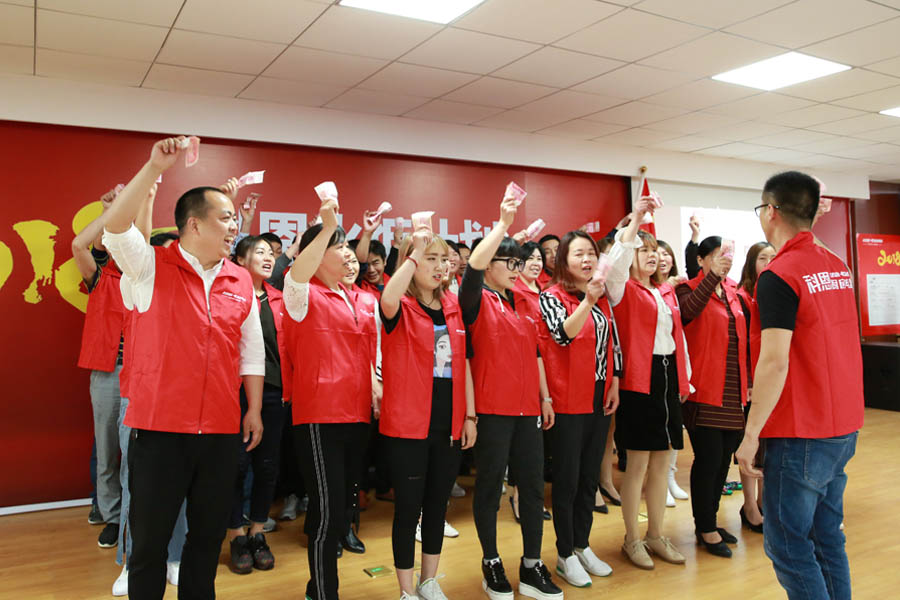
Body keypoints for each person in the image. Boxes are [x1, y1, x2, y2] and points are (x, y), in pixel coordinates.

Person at [102, 136, 266, 600]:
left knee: (206, 540)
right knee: (150, 545)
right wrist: (155, 167)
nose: (235, 227)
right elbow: (115, 228)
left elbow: (251, 350)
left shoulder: (239, 279)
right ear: (194, 224)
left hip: (219, 432)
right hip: (159, 433)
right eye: (226, 218)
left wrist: (253, 409)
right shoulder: (149, 267)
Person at [736, 171, 864, 600]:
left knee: (788, 546)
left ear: (771, 212)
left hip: (801, 430)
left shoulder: (779, 275)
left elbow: (774, 362)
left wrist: (750, 435)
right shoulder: (837, 266)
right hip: (842, 425)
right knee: (826, 537)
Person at [462, 193, 563, 600]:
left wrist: (544, 398)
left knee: (533, 489)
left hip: (528, 411)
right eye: (509, 262)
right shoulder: (475, 299)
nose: (516, 269)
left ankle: (532, 566)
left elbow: (535, 353)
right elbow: (472, 267)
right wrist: (503, 224)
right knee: (490, 489)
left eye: (519, 263)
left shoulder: (524, 302)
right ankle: (491, 563)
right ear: (490, 263)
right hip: (492, 411)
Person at [282, 196, 379, 600]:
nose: (349, 254)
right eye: (339, 246)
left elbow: (370, 355)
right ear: (317, 254)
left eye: (348, 246)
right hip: (320, 414)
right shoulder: (302, 295)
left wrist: (375, 385)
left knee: (341, 508)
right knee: (324, 510)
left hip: (357, 413)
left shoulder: (357, 298)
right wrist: (325, 227)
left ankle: (317, 586)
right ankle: (324, 593)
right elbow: (296, 275)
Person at [380, 227, 477, 600]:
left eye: (443, 259)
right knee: (408, 510)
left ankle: (429, 581)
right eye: (430, 259)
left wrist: (470, 417)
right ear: (412, 260)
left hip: (448, 422)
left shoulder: (452, 305)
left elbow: (463, 363)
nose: (440, 267)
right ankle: (406, 590)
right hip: (408, 424)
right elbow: (388, 297)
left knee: (438, 506)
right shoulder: (399, 305)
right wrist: (414, 253)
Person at [607, 197, 690, 571]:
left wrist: (684, 380)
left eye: (655, 251)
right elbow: (617, 260)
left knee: (662, 461)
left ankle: (656, 534)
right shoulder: (621, 288)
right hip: (640, 381)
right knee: (638, 465)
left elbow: (676, 339)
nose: (652, 256)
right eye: (645, 250)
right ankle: (632, 538)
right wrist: (636, 221)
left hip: (668, 377)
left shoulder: (661, 291)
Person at [113, 201, 188, 598]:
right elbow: (139, 244)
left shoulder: (190, 292)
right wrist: (148, 199)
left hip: (181, 403)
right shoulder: (138, 282)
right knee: (136, 487)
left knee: (180, 486)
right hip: (140, 399)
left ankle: (174, 555)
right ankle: (131, 561)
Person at [540, 230, 621, 587]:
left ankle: (582, 544)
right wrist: (588, 301)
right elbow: (562, 334)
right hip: (567, 396)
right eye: (578, 254)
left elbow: (611, 341)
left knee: (590, 477)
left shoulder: (600, 295)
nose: (587, 260)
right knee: (568, 479)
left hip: (598, 393)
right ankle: (564, 554)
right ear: (563, 260)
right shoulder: (551, 296)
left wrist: (614, 379)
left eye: (591, 253)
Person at [676, 236, 748, 558]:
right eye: (716, 256)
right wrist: (712, 278)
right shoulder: (687, 289)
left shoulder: (733, 291)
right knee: (708, 460)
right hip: (703, 388)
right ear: (701, 260)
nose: (723, 261)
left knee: (722, 462)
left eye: (726, 256)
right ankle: (704, 526)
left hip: (733, 389)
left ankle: (711, 520)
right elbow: (688, 313)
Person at [226, 235, 291, 574]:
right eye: (259, 252)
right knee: (236, 464)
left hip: (274, 390)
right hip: (233, 390)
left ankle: (257, 532)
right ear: (239, 260)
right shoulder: (228, 295)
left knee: (267, 466)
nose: (268, 258)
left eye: (270, 253)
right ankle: (236, 534)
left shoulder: (279, 298)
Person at [73, 188, 132, 551]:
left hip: (142, 374)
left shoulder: (149, 279)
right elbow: (79, 245)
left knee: (134, 452)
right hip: (108, 372)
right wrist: (110, 211)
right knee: (108, 449)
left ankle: (130, 516)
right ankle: (111, 516)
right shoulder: (100, 277)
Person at [508, 241, 553, 523]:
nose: (536, 264)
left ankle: (533, 496)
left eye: (539, 259)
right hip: (524, 370)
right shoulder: (514, 292)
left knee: (541, 444)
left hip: (550, 369)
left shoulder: (546, 291)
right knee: (522, 442)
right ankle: (517, 495)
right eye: (529, 259)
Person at [734, 241, 775, 533]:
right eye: (763, 258)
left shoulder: (774, 290)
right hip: (749, 382)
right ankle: (749, 504)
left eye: (773, 257)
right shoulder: (740, 296)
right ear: (751, 263)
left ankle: (762, 502)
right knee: (751, 445)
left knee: (768, 446)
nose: (769, 262)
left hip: (771, 379)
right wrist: (748, 380)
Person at [656, 239, 690, 507]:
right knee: (660, 429)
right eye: (656, 254)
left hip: (677, 362)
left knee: (675, 428)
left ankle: (670, 477)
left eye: (666, 254)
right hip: (657, 368)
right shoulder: (652, 290)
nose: (662, 258)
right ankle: (658, 482)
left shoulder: (678, 290)